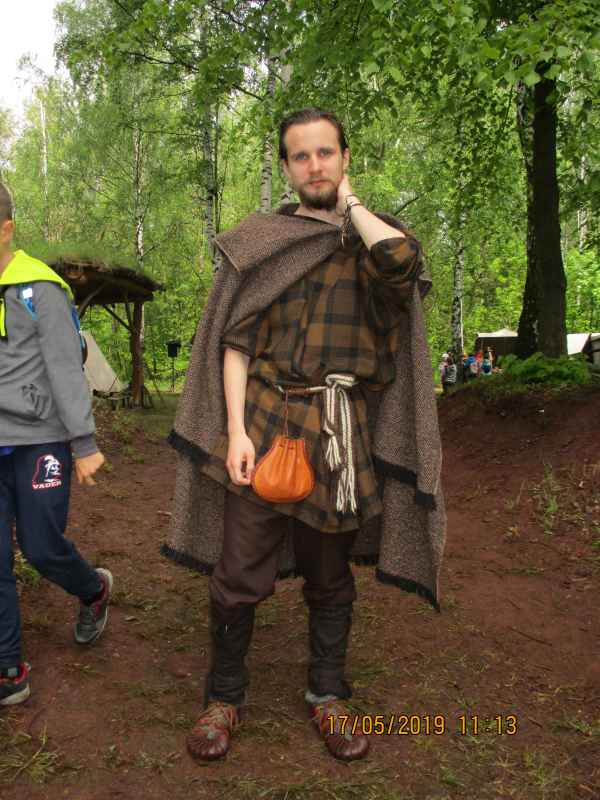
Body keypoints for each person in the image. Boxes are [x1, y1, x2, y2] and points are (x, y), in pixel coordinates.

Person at [165, 108, 445, 763]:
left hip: (340, 433)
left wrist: (352, 208)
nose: (315, 166)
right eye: (301, 156)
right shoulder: (265, 242)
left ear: (345, 158)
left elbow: (402, 264)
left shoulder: (375, 239)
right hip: (266, 424)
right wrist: (236, 432)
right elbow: (235, 344)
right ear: (286, 167)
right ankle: (223, 698)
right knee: (237, 573)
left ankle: (328, 695)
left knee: (330, 576)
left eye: (326, 153)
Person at [0, 182, 112, 707]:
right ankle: (8, 665)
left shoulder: (39, 288)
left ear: (6, 229)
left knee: (41, 547)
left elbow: (66, 367)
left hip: (39, 439)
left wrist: (83, 442)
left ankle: (93, 589)